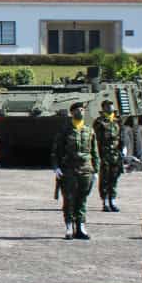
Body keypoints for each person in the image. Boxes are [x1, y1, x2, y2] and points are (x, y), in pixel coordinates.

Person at [52, 101, 99, 239]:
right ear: (72, 113)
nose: (81, 112)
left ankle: (81, 227)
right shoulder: (65, 131)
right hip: (69, 170)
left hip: (86, 169)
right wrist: (56, 167)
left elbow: (95, 151)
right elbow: (56, 151)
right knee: (69, 199)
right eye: (78, 110)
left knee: (82, 199)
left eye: (83, 110)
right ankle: (68, 226)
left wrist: (96, 170)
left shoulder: (89, 130)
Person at [93, 98, 125, 212]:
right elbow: (96, 139)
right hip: (105, 153)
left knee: (115, 177)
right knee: (105, 178)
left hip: (116, 153)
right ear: (104, 108)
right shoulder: (99, 122)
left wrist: (123, 148)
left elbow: (122, 135)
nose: (111, 107)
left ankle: (113, 200)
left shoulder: (117, 120)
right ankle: (105, 201)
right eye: (108, 106)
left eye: (112, 105)